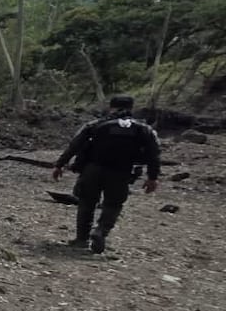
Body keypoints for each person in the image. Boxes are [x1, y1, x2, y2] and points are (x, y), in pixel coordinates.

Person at [52, 95, 160, 254]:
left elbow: (75, 145)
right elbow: (153, 154)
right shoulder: (144, 129)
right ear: (132, 108)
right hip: (121, 172)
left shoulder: (96, 125)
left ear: (111, 107)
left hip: (93, 169)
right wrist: (153, 177)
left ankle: (82, 239)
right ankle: (101, 231)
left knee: (86, 203)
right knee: (114, 204)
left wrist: (59, 165)